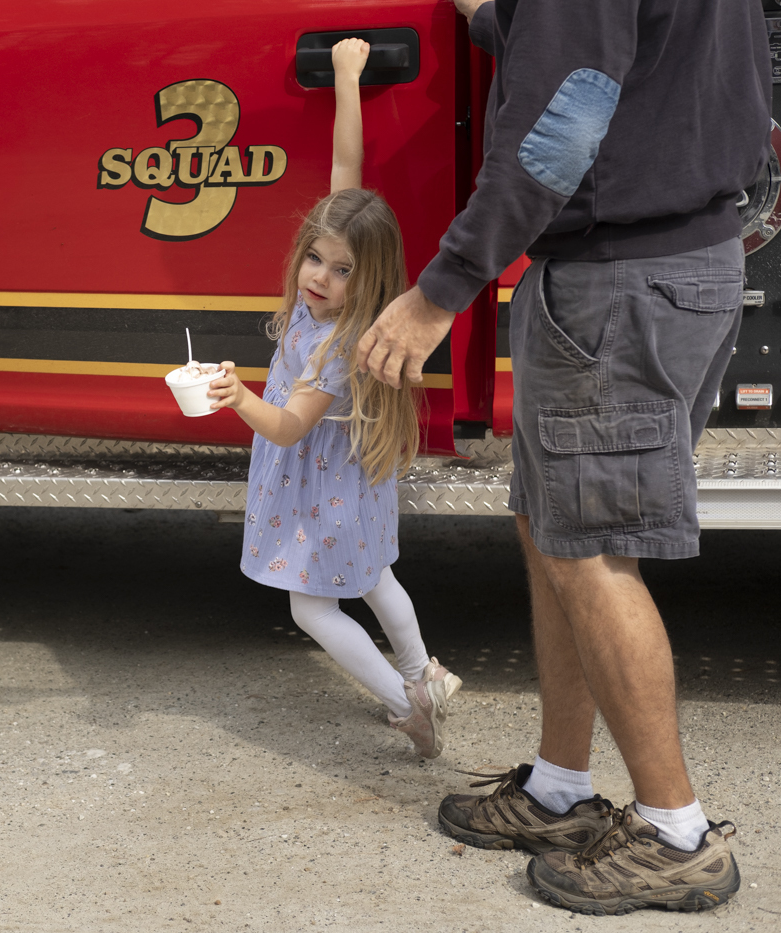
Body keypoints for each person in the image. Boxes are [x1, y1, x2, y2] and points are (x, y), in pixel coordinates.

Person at [353, 0, 771, 916]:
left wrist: (440, 291)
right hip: (666, 260)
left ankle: (676, 834)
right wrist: (500, 18)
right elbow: (635, 49)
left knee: (593, 550)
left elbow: (565, 125)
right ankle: (559, 788)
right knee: (552, 525)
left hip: (618, 277)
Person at [205, 38, 462, 758]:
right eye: (314, 257)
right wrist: (348, 79)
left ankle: (407, 703)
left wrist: (238, 397)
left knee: (312, 607)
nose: (318, 275)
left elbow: (289, 428)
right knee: (376, 576)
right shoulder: (334, 312)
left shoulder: (335, 346)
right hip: (348, 486)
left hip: (316, 489)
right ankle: (425, 672)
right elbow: (344, 175)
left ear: (369, 278)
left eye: (340, 270)